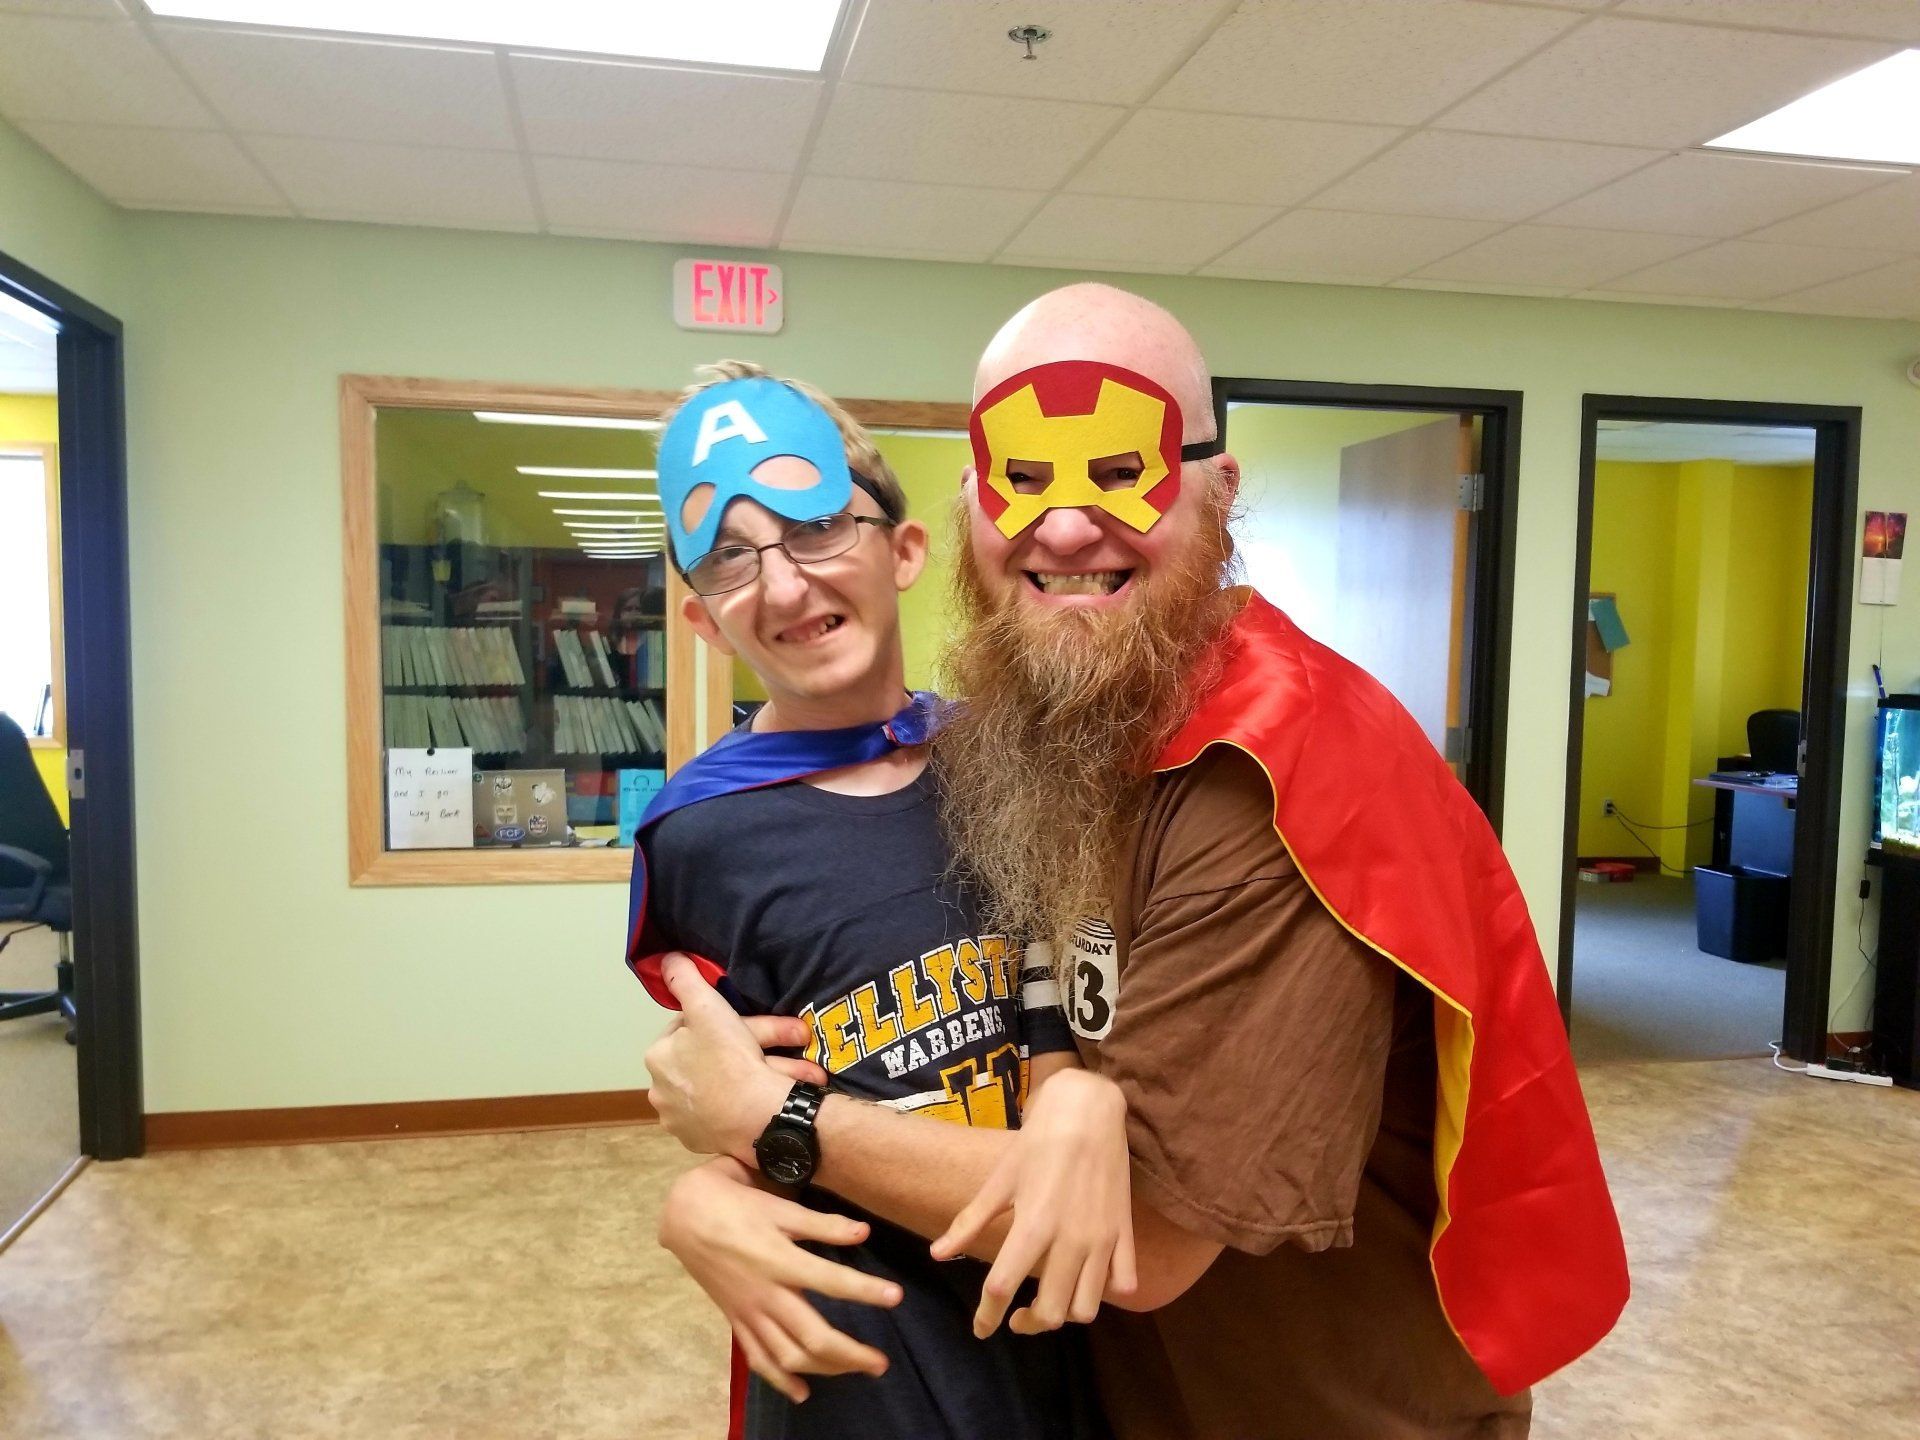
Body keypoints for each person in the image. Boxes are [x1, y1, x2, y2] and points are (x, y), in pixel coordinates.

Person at [645, 287, 1630, 1439]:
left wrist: (778, 1126)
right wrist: (714, 1189)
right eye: (1023, 478)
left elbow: (1139, 1242)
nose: (1066, 529)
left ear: (1220, 488)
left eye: (1122, 473)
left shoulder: (1287, 777)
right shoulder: (1042, 733)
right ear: (969, 509)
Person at [627, 361, 1123, 1440]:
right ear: (703, 619)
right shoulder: (697, 835)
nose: (785, 587)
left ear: (903, 551)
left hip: (1063, 1336)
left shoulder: (1010, 765)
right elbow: (735, 1097)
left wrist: (1083, 1102)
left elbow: (1073, 1037)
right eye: (731, 557)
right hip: (865, 1360)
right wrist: (705, 1196)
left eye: (815, 528)